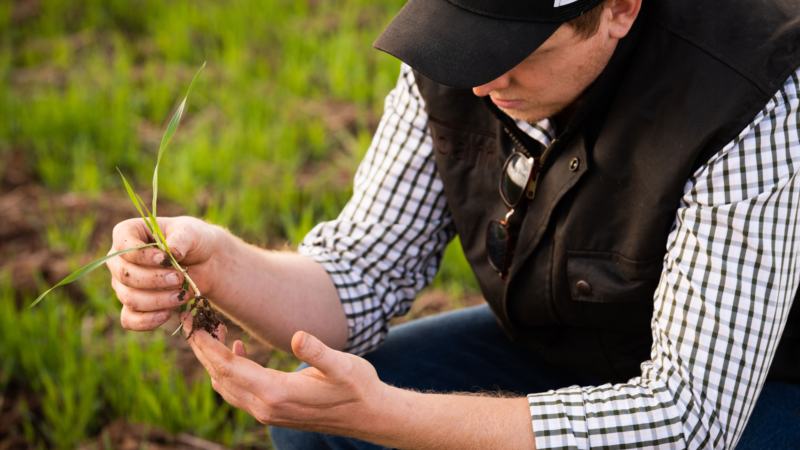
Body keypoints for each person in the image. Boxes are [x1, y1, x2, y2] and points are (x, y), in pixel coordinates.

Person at [106, 0, 800, 448]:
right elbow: (359, 275)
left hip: (765, 383)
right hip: (585, 345)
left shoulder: (753, 91)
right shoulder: (462, 65)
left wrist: (388, 416)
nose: (476, 81)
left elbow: (687, 420)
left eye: (513, 48)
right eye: (465, 40)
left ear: (618, 9)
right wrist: (219, 263)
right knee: (320, 430)